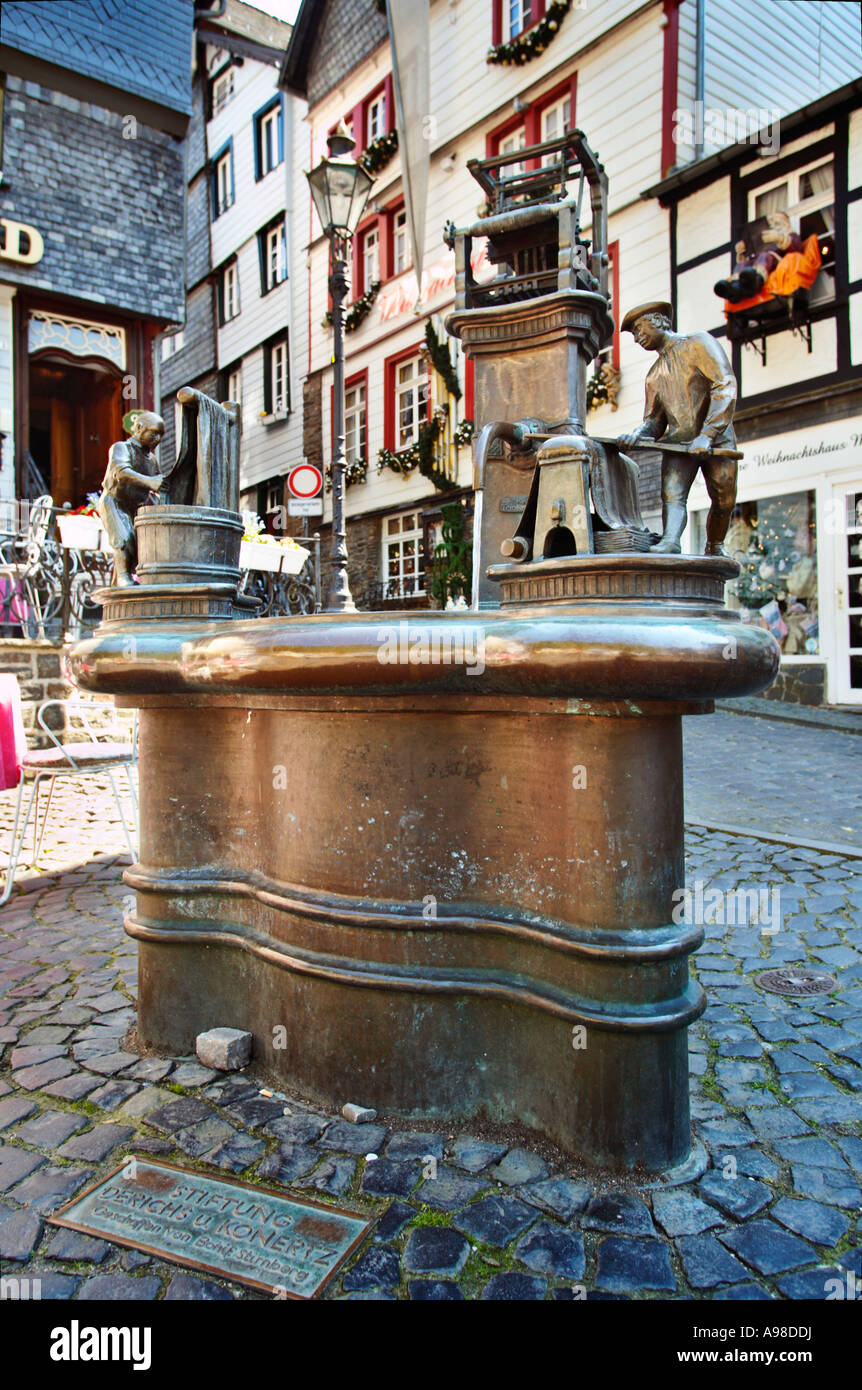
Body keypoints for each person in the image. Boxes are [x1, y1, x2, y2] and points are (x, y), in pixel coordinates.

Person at [617, 302, 737, 556]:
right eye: (635, 335)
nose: (638, 339)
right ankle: (671, 540)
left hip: (716, 440)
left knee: (723, 500)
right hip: (677, 444)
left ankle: (715, 545)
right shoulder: (654, 376)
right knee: (672, 495)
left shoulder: (698, 344)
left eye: (640, 329)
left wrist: (708, 435)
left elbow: (724, 386)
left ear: (659, 321)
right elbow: (654, 422)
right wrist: (636, 436)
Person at [97, 412, 165, 586]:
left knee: (137, 545)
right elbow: (121, 472)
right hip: (113, 502)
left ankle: (118, 581)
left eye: (160, 435)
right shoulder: (121, 448)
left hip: (134, 507)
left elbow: (160, 484)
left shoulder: (152, 460)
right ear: (140, 428)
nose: (157, 439)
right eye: (154, 433)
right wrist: (150, 482)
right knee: (123, 538)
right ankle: (122, 577)